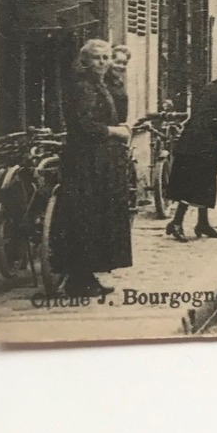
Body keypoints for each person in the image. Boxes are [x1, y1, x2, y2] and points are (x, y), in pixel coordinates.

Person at [52, 39, 132, 298]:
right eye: (97, 58)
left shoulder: (100, 83)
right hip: (85, 162)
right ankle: (79, 279)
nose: (103, 63)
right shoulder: (82, 87)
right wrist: (114, 131)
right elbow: (84, 126)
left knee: (96, 218)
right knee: (85, 218)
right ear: (85, 61)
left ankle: (86, 275)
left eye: (106, 57)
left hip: (99, 161)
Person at [165, 60, 217, 240]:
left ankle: (202, 223)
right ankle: (176, 223)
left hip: (192, 141)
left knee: (204, 183)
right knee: (195, 183)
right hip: (205, 144)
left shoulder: (210, 87)